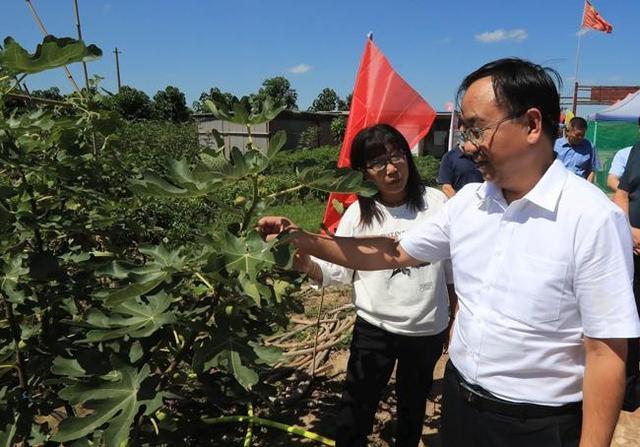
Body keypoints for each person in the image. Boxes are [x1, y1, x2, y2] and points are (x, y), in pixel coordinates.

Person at [258, 58, 640, 447]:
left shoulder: (593, 218)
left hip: (535, 425)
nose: (469, 146)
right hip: (460, 404)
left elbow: (606, 353)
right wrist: (303, 238)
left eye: (477, 129)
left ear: (531, 124)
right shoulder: (469, 203)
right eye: (467, 132)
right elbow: (392, 252)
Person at [295, 124, 454, 447]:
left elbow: (452, 266)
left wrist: (454, 314)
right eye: (379, 163)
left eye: (397, 156)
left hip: (426, 329)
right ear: (364, 173)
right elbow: (338, 269)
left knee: (412, 408)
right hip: (374, 328)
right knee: (356, 407)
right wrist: (305, 264)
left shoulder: (436, 204)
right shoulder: (358, 214)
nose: (392, 168)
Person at [612, 117, 640, 412]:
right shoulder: (636, 153)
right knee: (632, 317)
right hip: (636, 248)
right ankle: (629, 390)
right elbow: (621, 193)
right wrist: (630, 231)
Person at [437, 123, 483, 198]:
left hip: (482, 204)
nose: (478, 147)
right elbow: (446, 187)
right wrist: (459, 204)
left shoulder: (483, 157)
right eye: (475, 144)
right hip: (460, 204)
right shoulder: (449, 157)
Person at [554, 116, 600, 181]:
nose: (580, 138)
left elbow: (592, 170)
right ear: (568, 131)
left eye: (582, 135)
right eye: (577, 135)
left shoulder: (590, 147)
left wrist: (587, 186)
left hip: (578, 186)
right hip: (557, 183)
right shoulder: (555, 145)